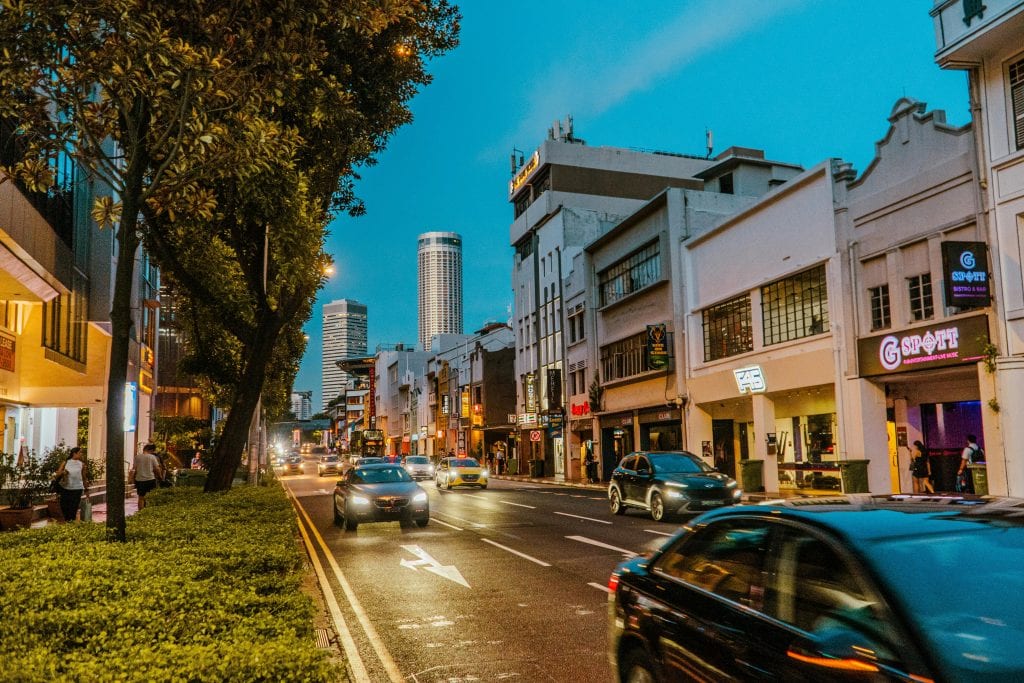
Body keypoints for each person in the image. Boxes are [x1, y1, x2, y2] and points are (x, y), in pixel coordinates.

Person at [53, 446, 89, 523]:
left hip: (77, 488)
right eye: (80, 452)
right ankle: (67, 521)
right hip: (65, 488)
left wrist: (86, 490)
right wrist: (63, 472)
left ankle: (71, 522)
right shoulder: (66, 462)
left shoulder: (82, 464)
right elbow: (57, 474)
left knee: (74, 507)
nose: (81, 454)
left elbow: (84, 478)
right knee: (64, 506)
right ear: (74, 453)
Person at [131, 443, 165, 510]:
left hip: (139, 480)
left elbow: (134, 469)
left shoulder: (137, 457)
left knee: (141, 497)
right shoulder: (152, 457)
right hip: (150, 479)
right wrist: (160, 477)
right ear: (151, 450)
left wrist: (131, 478)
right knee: (150, 496)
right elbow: (157, 468)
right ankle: (148, 510)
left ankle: (140, 512)